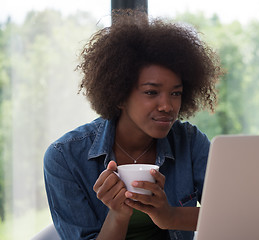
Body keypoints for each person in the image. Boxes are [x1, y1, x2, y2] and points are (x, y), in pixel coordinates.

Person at [44, 9, 223, 240]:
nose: (167, 106)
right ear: (119, 95)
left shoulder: (189, 142)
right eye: (151, 92)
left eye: (176, 93)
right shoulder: (65, 157)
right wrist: (118, 214)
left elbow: (229, 216)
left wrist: (168, 215)